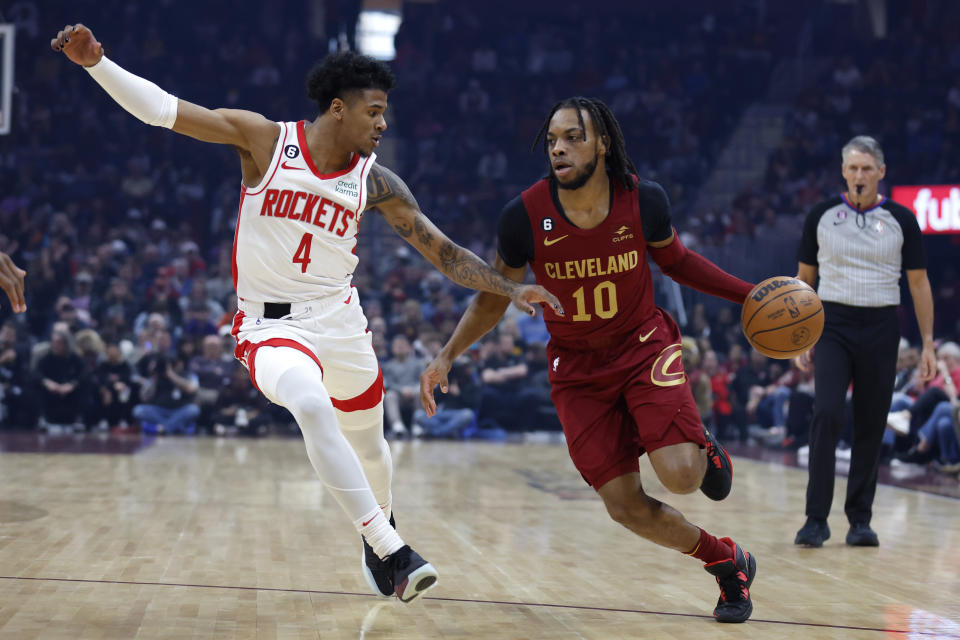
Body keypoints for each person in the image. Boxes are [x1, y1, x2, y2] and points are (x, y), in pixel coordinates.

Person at [53, 23, 561, 603]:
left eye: (385, 113)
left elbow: (443, 252)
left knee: (371, 444)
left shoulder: (377, 182)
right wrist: (97, 63)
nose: (382, 124)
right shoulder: (264, 141)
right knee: (311, 405)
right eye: (374, 111)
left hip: (341, 322)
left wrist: (508, 287)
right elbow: (164, 111)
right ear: (338, 109)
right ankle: (390, 549)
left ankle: (381, 533)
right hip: (269, 327)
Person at [420, 97, 759, 623]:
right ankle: (725, 559)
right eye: (552, 138)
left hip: (643, 347)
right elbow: (492, 294)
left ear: (602, 143)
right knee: (624, 506)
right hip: (577, 371)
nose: (559, 147)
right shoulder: (524, 216)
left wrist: (749, 296)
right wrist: (447, 354)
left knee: (681, 477)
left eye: (573, 136)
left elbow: (679, 263)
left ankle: (700, 447)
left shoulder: (643, 200)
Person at [793, 135, 936, 548]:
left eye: (867, 169)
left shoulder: (902, 218)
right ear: (843, 171)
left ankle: (860, 519)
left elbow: (918, 282)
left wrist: (927, 342)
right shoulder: (821, 215)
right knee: (827, 413)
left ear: (881, 173)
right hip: (832, 322)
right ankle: (815, 519)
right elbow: (804, 279)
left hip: (880, 325)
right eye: (853, 168)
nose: (859, 175)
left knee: (871, 422)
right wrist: (800, 332)